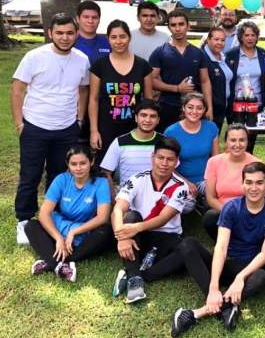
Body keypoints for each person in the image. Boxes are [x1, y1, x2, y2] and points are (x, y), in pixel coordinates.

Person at [169, 162, 265, 337]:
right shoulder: (231, 207)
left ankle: (197, 313)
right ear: (242, 184)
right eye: (249, 182)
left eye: (259, 183)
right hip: (228, 263)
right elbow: (221, 247)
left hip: (252, 267)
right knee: (188, 244)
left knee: (261, 278)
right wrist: (214, 287)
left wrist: (240, 277)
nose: (254, 188)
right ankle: (223, 303)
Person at [11, 13, 90, 245]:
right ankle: (24, 221)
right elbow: (17, 90)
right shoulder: (34, 56)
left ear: (76, 34)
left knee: (59, 176)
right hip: (35, 126)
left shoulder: (82, 59)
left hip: (66, 128)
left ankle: (52, 217)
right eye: (59, 33)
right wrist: (19, 122)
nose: (65, 38)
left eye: (69, 33)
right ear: (50, 33)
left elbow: (84, 90)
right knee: (30, 175)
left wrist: (79, 119)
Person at [110, 137, 197, 304]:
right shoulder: (137, 179)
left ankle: (132, 274)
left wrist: (134, 229)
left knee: (186, 257)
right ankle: (135, 281)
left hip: (168, 236)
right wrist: (122, 237)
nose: (164, 163)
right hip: (141, 235)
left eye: (170, 159)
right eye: (160, 158)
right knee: (130, 216)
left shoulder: (180, 186)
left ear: (176, 162)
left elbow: (164, 218)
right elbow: (118, 209)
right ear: (152, 157)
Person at [25, 145, 112, 282]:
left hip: (84, 231)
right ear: (68, 164)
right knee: (30, 226)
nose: (78, 168)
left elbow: (103, 217)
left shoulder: (101, 182)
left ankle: (51, 260)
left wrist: (74, 232)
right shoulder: (61, 179)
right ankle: (61, 264)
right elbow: (44, 213)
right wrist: (59, 238)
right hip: (60, 226)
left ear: (92, 162)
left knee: (106, 231)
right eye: (73, 164)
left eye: (83, 163)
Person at [88, 19, 154, 163]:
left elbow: (148, 100)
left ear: (129, 37)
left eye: (123, 36)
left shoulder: (143, 65)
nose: (119, 41)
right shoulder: (99, 66)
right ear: (108, 39)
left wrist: (147, 129)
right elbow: (93, 100)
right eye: (114, 37)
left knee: (132, 167)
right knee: (105, 169)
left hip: (134, 127)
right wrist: (94, 131)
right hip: (106, 127)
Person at [149, 9, 211, 132]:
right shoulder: (160, 52)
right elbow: (151, 80)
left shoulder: (198, 53)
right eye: (173, 25)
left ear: (188, 26)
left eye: (181, 24)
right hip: (168, 106)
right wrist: (176, 88)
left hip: (194, 109)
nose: (177, 29)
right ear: (169, 28)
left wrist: (209, 108)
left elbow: (205, 81)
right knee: (168, 144)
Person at [202, 124, 263, 240]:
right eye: (233, 140)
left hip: (249, 210)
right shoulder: (214, 162)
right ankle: (227, 244)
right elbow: (210, 198)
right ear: (226, 142)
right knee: (210, 217)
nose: (237, 145)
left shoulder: (257, 164)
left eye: (242, 140)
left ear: (247, 142)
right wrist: (230, 212)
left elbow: (260, 197)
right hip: (222, 209)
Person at [163, 92, 220, 208]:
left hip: (206, 179)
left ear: (204, 110)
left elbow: (216, 159)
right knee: (187, 205)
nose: (194, 112)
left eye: (199, 108)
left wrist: (213, 181)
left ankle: (205, 202)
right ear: (183, 108)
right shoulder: (171, 132)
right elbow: (167, 165)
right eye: (190, 107)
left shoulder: (211, 127)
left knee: (218, 194)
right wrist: (185, 182)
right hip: (181, 179)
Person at [100, 99, 165, 191]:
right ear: (136, 118)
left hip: (157, 199)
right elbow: (106, 173)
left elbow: (172, 170)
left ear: (158, 120)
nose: (148, 120)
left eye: (153, 116)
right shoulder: (120, 142)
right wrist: (114, 199)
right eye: (143, 115)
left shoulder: (164, 142)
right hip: (126, 200)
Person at [226, 20, 265, 154]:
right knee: (236, 142)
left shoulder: (262, 53)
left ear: (257, 37)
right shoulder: (232, 54)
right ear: (241, 37)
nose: (250, 38)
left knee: (250, 141)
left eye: (253, 35)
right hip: (236, 105)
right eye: (246, 35)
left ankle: (249, 170)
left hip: (256, 104)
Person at [202, 27, 235, 131]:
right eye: (216, 39)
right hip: (209, 109)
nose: (220, 43)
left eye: (223, 40)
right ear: (208, 40)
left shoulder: (223, 57)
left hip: (223, 107)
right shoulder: (202, 57)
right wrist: (209, 108)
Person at [73, 0, 110, 65]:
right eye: (86, 17)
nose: (90, 21)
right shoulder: (69, 42)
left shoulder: (108, 41)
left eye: (94, 17)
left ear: (99, 20)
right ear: (78, 19)